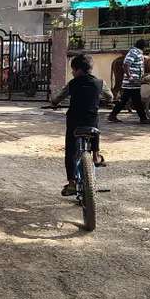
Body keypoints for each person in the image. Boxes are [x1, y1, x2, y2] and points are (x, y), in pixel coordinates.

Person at [50, 53, 113, 197]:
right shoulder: (100, 83)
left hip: (74, 123)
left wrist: (54, 103)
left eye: (73, 70)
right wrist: (104, 100)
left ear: (78, 70)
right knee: (94, 121)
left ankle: (71, 183)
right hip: (91, 121)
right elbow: (110, 97)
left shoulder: (72, 83)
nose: (72, 73)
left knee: (70, 150)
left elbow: (58, 97)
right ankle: (96, 155)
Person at [108, 39, 150, 124]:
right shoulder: (134, 52)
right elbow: (126, 64)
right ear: (144, 47)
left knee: (130, 100)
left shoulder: (137, 52)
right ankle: (143, 118)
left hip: (135, 82)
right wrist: (129, 76)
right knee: (134, 100)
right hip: (131, 82)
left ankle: (113, 115)